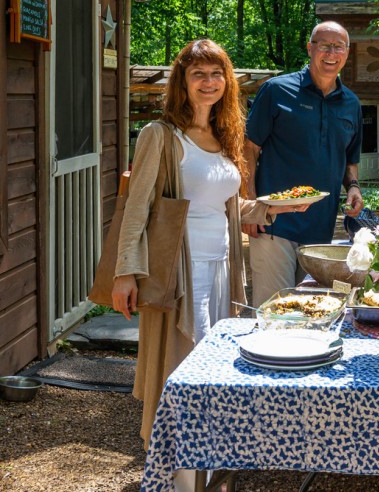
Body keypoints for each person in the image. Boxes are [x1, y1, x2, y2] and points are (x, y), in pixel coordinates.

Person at [111, 39, 297, 451]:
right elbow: (136, 208)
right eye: (199, 74)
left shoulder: (225, 135)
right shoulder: (160, 135)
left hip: (223, 267)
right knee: (183, 363)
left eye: (216, 74)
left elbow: (228, 207)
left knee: (216, 363)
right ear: (183, 81)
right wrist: (125, 272)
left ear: (227, 83)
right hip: (180, 269)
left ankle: (210, 458)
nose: (208, 82)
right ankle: (177, 461)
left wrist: (274, 208)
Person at [243, 21, 364, 306]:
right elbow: (248, 150)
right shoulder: (276, 90)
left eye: (339, 47)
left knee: (309, 310)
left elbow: (350, 159)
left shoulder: (352, 104)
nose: (332, 53)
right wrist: (250, 207)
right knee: (273, 310)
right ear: (310, 48)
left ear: (347, 53)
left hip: (321, 231)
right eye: (325, 45)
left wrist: (354, 186)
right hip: (274, 224)